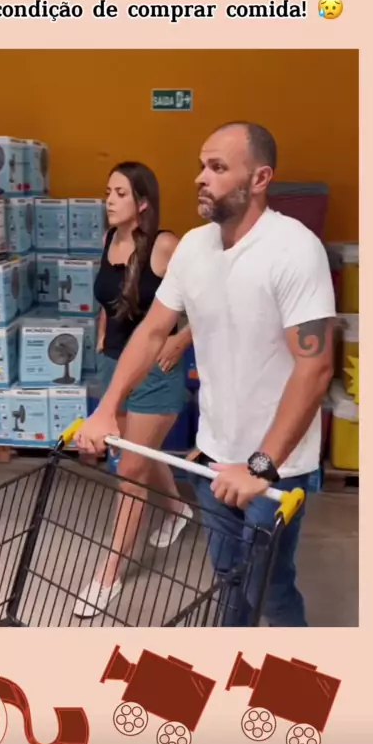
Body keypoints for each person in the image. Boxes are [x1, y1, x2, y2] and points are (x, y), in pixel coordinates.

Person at [74, 122, 336, 627]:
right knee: (228, 577)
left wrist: (260, 467)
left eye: (217, 167)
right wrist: (108, 408)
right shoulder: (194, 248)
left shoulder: (294, 250)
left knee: (269, 588)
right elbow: (152, 331)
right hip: (214, 456)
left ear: (259, 178)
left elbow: (315, 365)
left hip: (275, 467)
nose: (200, 177)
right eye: (201, 165)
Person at [74, 161, 193, 618]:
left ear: (143, 202)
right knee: (139, 455)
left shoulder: (166, 246)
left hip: (156, 374)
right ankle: (178, 511)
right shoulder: (110, 240)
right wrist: (103, 336)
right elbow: (108, 299)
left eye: (120, 193)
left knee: (130, 473)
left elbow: (210, 304)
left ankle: (108, 575)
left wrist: (182, 340)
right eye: (108, 191)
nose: (109, 200)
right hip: (115, 369)